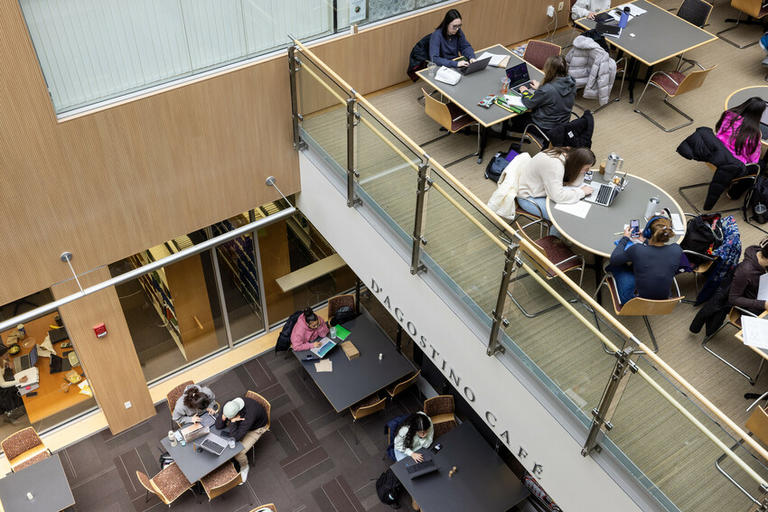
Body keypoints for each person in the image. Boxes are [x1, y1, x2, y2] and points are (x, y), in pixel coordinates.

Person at [516, 147, 595, 235]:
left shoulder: (568, 154)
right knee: (562, 217)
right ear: (576, 165)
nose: (587, 171)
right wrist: (582, 192)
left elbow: (575, 183)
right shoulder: (555, 165)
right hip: (528, 198)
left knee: (570, 205)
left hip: (540, 191)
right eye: (586, 169)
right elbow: (558, 196)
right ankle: (554, 241)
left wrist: (580, 172)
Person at [608, 217, 683, 304]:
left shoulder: (637, 250)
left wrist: (625, 238)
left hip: (635, 303)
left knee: (615, 265)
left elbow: (614, 259)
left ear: (647, 233)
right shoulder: (677, 249)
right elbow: (658, 256)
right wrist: (646, 241)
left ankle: (625, 297)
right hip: (664, 302)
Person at [215, 396, 269, 482]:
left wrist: (233, 422)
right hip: (241, 422)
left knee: (238, 453)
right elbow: (218, 426)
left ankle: (244, 466)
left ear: (237, 414)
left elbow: (235, 438)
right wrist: (223, 417)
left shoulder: (249, 415)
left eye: (229, 418)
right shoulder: (229, 406)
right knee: (222, 438)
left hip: (256, 428)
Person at [715, 96, 764, 166]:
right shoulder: (753, 134)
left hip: (717, 148)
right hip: (733, 163)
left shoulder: (728, 114)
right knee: (762, 164)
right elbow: (753, 159)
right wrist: (758, 140)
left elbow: (718, 129)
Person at [728, 240, 768, 315]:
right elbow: (733, 299)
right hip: (754, 306)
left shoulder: (763, 254)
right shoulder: (745, 271)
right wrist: (763, 304)